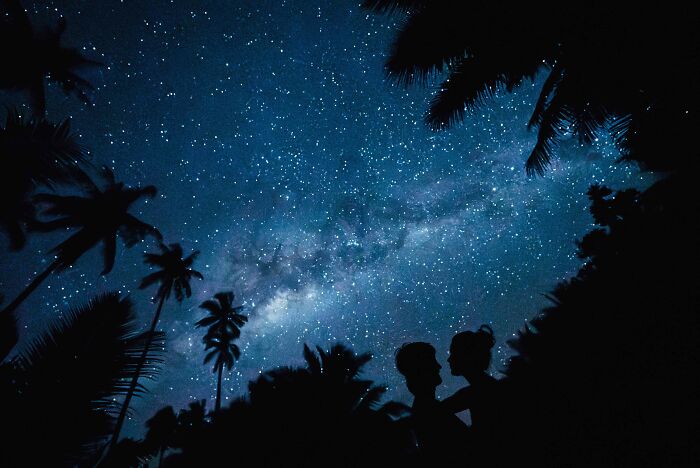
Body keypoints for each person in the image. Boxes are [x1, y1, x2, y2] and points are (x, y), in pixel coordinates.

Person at [395, 342, 468, 464]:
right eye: (432, 361)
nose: (439, 366)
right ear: (421, 369)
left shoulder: (426, 408)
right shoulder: (428, 410)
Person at [443, 325, 500, 435]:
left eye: (453, 353)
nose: (449, 359)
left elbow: (435, 412)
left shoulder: (478, 392)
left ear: (466, 356)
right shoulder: (483, 388)